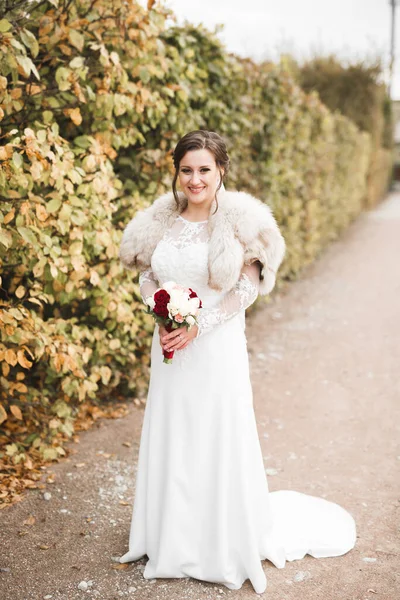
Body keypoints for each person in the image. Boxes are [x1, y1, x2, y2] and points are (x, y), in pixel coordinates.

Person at [118, 130, 356, 594]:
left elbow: (246, 288)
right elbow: (147, 272)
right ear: (177, 172)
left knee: (213, 430)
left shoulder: (242, 220)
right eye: (186, 169)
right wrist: (160, 310)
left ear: (220, 170)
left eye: (204, 169)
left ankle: (218, 539)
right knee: (174, 429)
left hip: (214, 345)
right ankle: (170, 534)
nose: (195, 178)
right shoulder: (160, 220)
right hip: (168, 342)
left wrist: (197, 325)